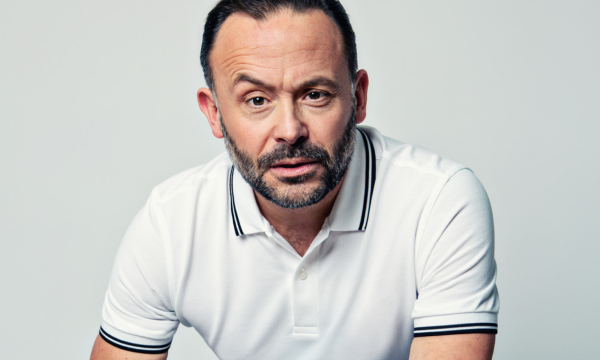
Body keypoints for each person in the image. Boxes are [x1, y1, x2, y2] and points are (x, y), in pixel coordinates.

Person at [90, 0, 499, 359]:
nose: (289, 129)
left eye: (315, 94)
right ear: (213, 112)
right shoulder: (170, 223)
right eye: (256, 100)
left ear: (358, 98)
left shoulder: (439, 200)